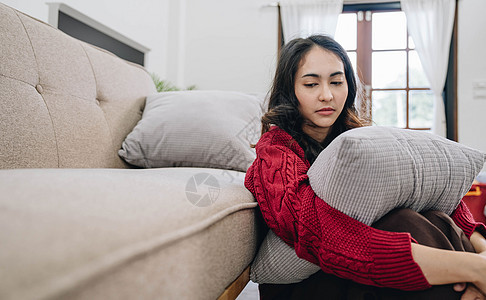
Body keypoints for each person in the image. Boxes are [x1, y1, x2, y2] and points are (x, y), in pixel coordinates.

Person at [244, 35, 486, 299]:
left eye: (337, 82)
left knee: (434, 218)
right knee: (401, 221)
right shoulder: (275, 152)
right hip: (311, 285)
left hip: (373, 271)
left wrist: (482, 252)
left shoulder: (359, 140)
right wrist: (471, 267)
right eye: (311, 84)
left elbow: (438, 200)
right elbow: (317, 233)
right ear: (290, 91)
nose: (327, 95)